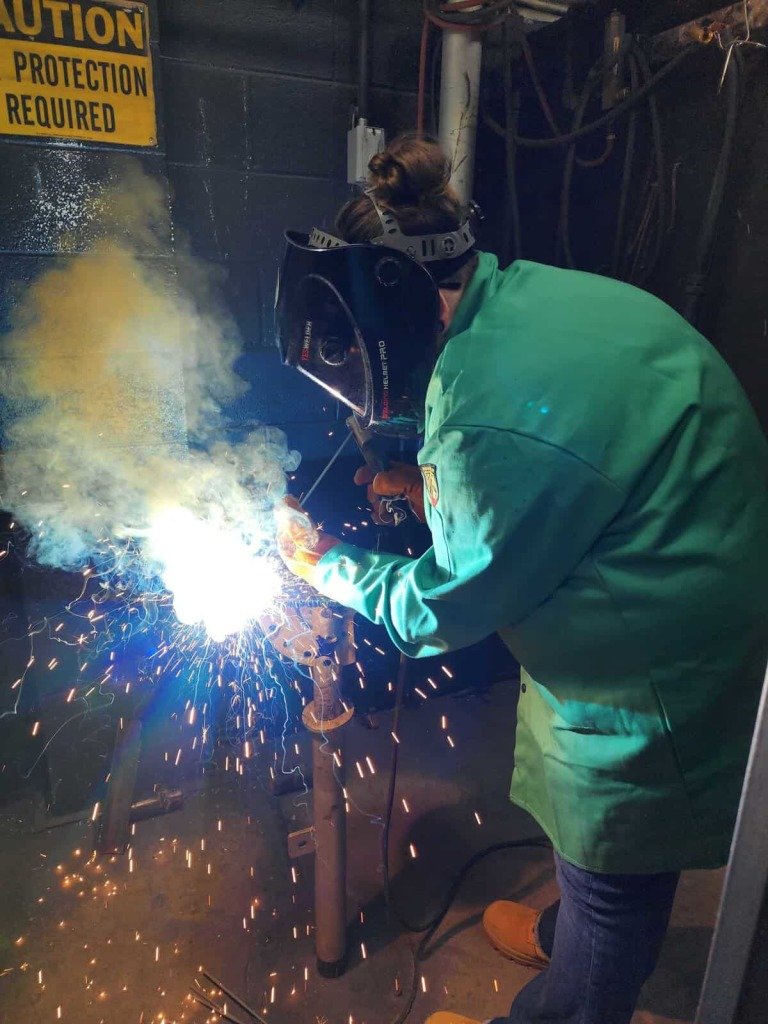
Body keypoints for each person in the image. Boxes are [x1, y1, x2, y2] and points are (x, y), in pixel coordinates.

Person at [274, 133, 768, 1024]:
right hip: (692, 566)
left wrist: (326, 566)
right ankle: (569, 941)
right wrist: (434, 493)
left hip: (654, 661)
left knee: (619, 864)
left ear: (392, 306)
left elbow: (440, 610)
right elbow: (572, 471)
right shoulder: (528, 297)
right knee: (608, 862)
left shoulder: (485, 425)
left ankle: (567, 1001)